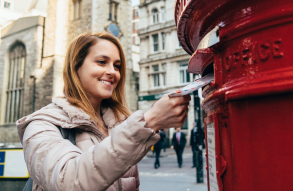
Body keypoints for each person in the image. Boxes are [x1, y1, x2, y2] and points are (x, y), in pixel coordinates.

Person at [16, 32, 190, 191]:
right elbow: (68, 181)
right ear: (76, 67)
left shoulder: (119, 124)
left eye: (117, 65)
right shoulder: (41, 124)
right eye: (101, 62)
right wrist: (149, 122)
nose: (112, 72)